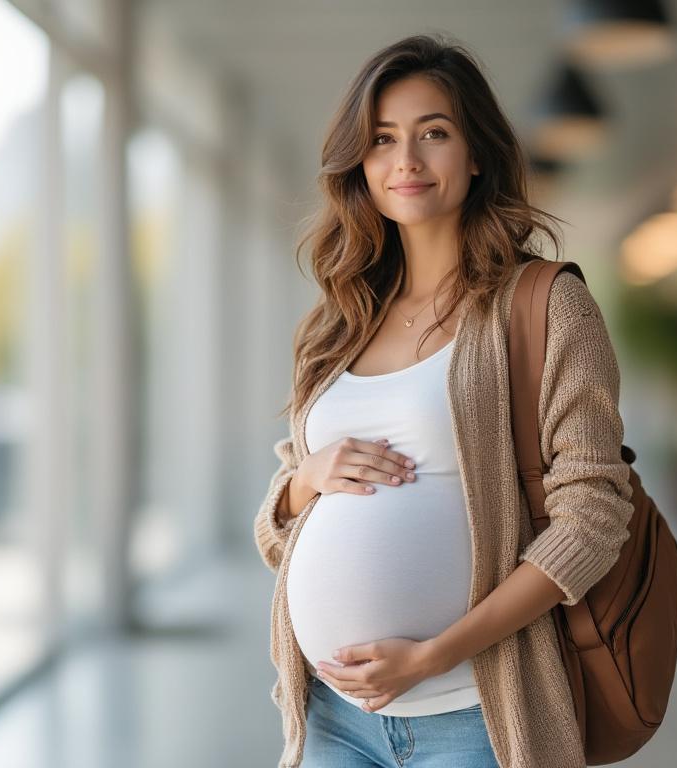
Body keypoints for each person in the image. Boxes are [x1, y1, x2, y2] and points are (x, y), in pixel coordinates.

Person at [253, 34, 635, 768]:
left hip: (475, 718)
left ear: (478, 152)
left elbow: (593, 517)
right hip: (332, 717)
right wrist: (306, 479)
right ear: (359, 164)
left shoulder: (547, 304)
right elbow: (276, 535)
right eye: (383, 139)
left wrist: (433, 656)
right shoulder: (340, 318)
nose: (407, 161)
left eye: (434, 133)